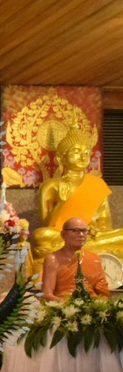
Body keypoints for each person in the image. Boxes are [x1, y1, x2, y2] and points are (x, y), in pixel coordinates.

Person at [31, 127, 121, 265]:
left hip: (89, 235)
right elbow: (47, 224)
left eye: (86, 152)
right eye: (76, 152)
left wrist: (97, 228)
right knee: (40, 236)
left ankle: (74, 249)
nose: (83, 157)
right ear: (61, 157)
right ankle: (88, 249)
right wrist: (62, 203)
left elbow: (105, 220)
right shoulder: (51, 186)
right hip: (61, 235)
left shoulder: (97, 184)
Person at [40, 218, 111, 302]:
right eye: (76, 231)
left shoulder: (95, 259)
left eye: (84, 231)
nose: (81, 235)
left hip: (90, 306)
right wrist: (69, 306)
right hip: (63, 306)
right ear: (63, 235)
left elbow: (104, 295)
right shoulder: (53, 259)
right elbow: (46, 294)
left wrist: (95, 305)